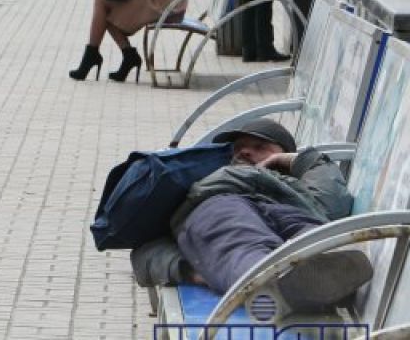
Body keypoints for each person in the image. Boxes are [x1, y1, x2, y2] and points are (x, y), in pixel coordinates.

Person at [131, 119, 372, 316]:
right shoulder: (204, 185)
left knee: (309, 235)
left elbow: (333, 201)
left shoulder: (291, 187)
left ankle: (318, 274)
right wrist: (190, 271)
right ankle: (270, 282)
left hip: (286, 209)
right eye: (238, 147)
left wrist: (290, 160)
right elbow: (144, 252)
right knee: (240, 237)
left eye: (260, 147)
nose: (246, 151)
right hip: (222, 204)